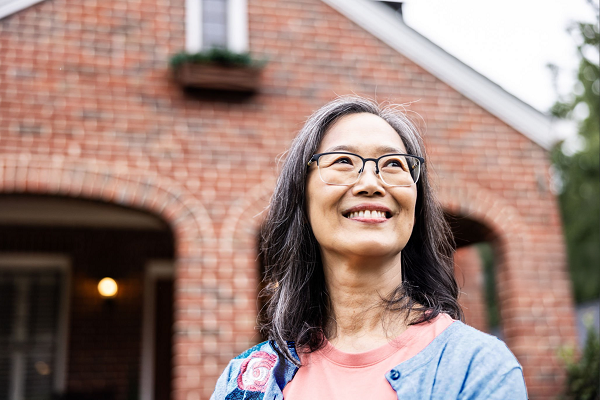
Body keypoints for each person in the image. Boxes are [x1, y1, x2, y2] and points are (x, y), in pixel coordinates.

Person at [211, 96, 527, 400]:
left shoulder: (478, 368)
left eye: (393, 164)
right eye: (343, 161)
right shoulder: (244, 381)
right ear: (302, 197)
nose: (371, 183)